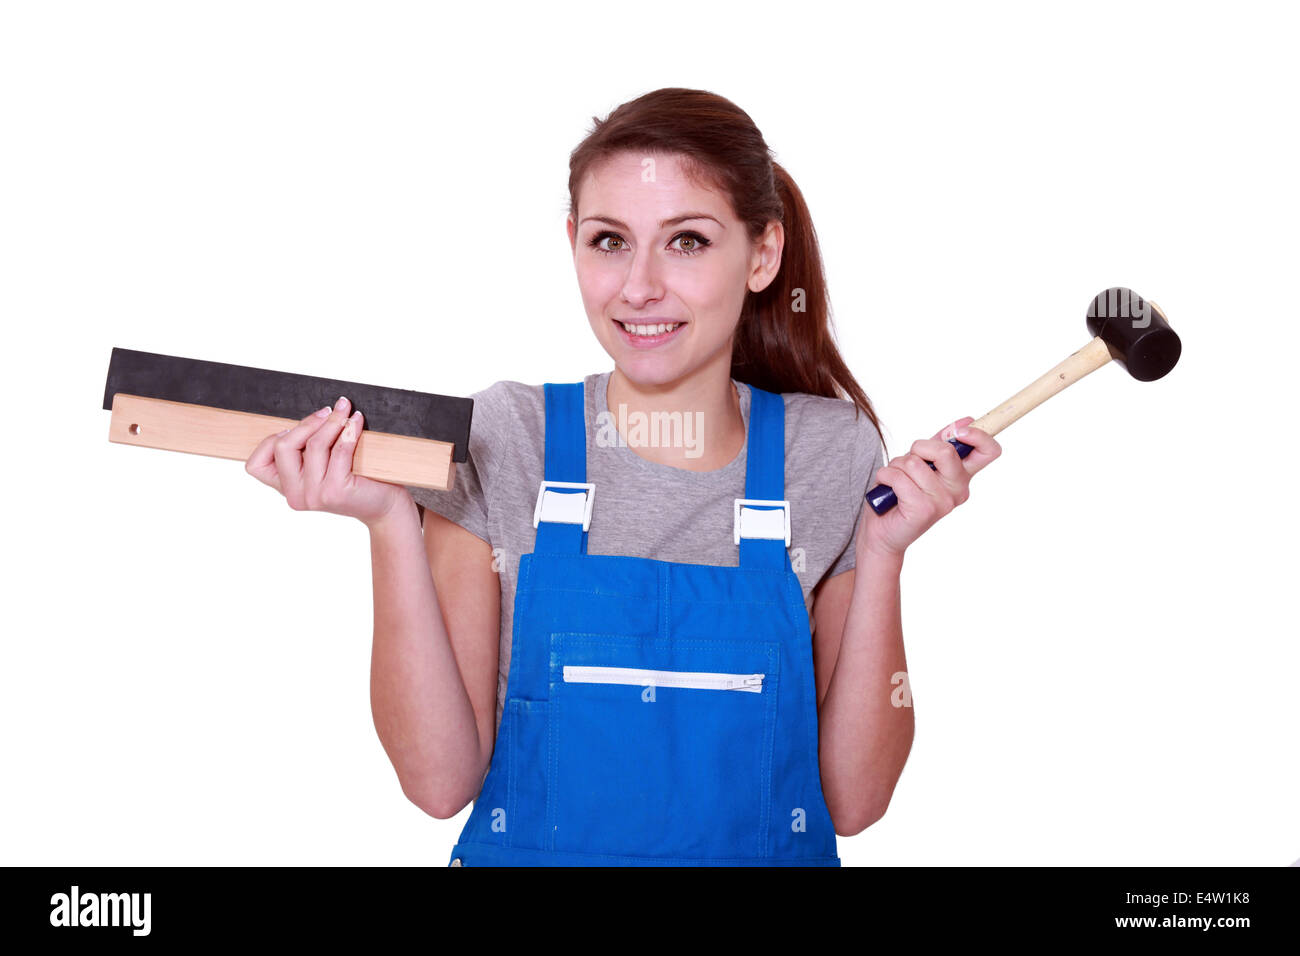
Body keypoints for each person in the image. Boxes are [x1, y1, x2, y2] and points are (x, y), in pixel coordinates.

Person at [244, 87, 1001, 866]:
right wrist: (389, 525)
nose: (638, 286)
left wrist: (882, 556)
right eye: (609, 241)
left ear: (763, 255)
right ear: (571, 240)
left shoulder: (829, 454)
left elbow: (855, 800)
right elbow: (438, 784)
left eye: (688, 242)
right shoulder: (510, 438)